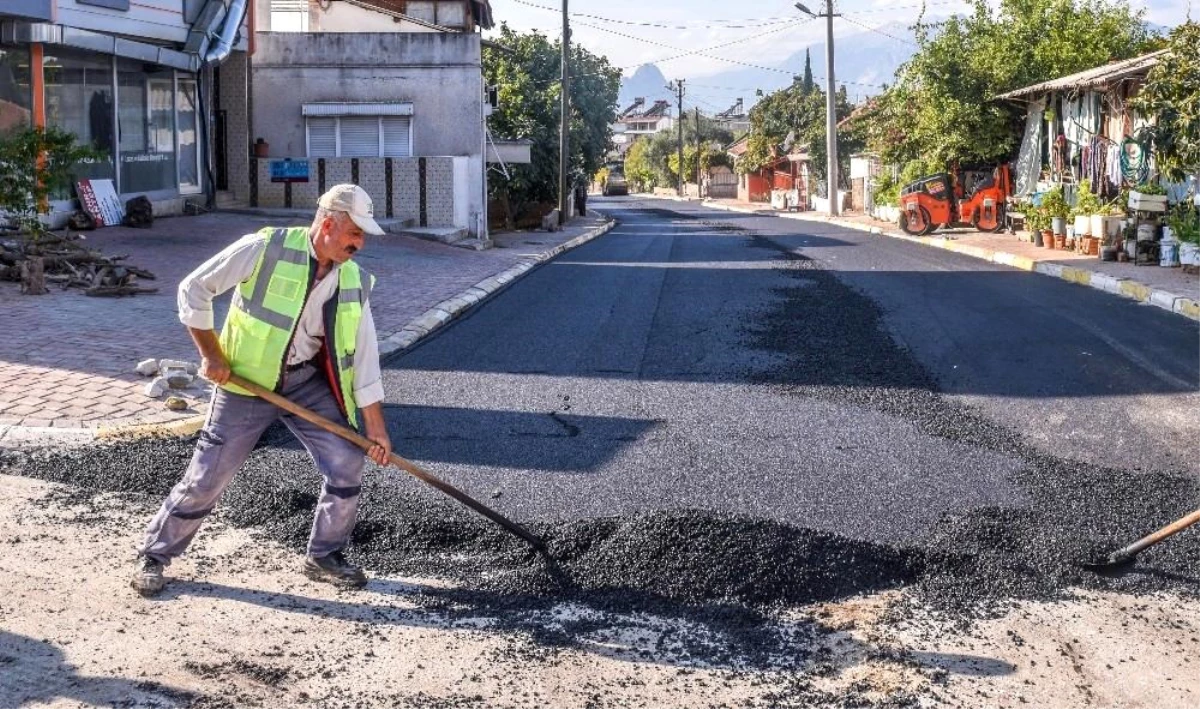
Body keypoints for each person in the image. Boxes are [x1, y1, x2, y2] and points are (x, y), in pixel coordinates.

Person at [131, 184, 393, 597]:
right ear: (328, 224)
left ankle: (324, 554)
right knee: (208, 476)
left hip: (304, 383)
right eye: (354, 234)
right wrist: (211, 354)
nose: (359, 244)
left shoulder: (354, 282)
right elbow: (193, 288)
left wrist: (375, 429)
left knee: (347, 459)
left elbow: (364, 358)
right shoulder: (266, 247)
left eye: (362, 236)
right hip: (244, 384)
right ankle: (155, 554)